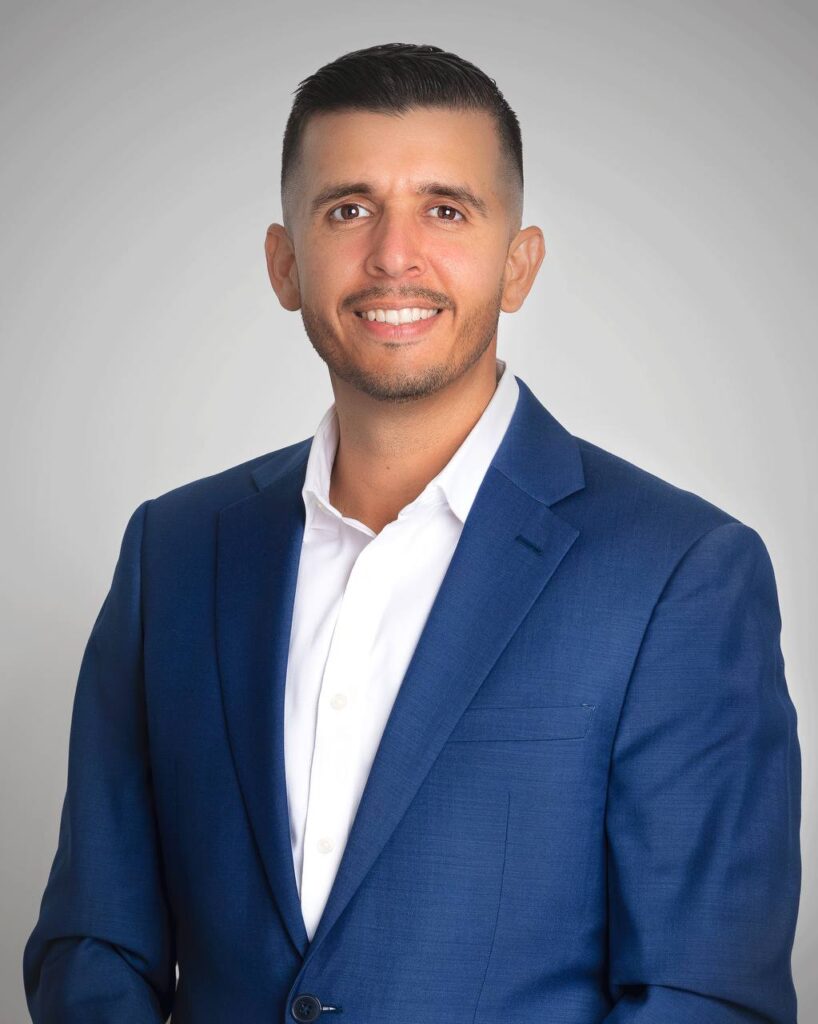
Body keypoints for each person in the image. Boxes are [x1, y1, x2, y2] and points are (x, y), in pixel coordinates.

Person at [23, 42, 801, 1024]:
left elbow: (704, 997)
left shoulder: (678, 575)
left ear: (517, 264)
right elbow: (95, 941)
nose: (393, 254)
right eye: (348, 209)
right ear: (283, 263)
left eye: (445, 208)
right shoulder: (172, 553)